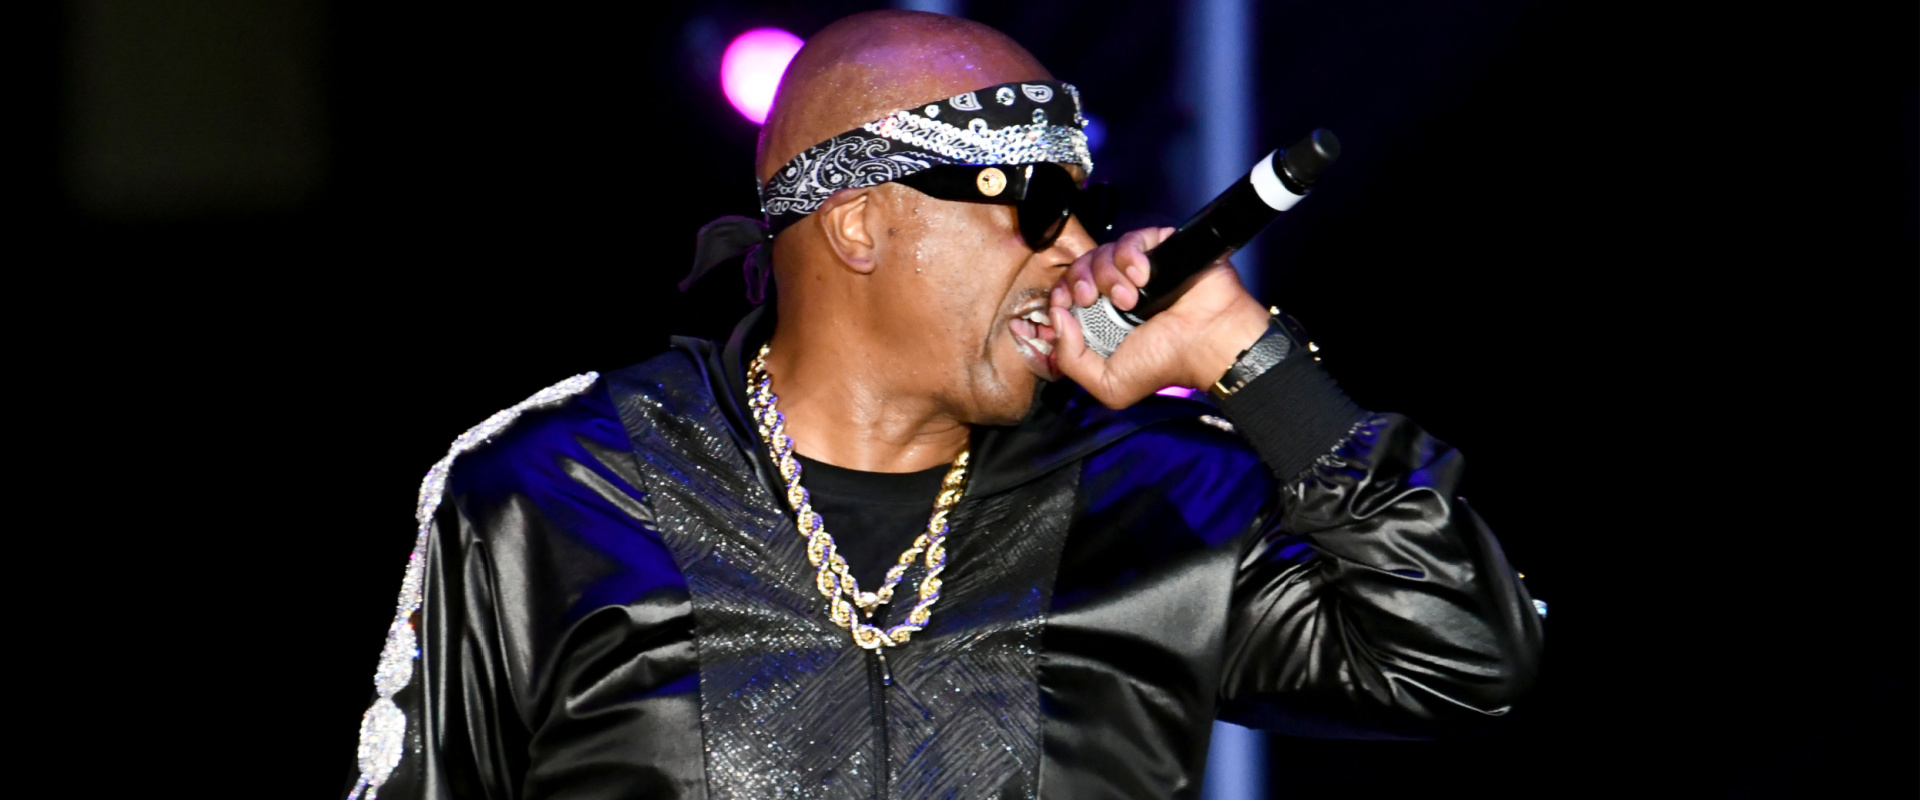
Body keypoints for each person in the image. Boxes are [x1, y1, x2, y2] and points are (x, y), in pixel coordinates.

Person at [343, 11, 1543, 800]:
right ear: (860, 222)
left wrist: (1250, 357)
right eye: (1028, 202)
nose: (1074, 247)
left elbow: (1462, 658)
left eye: (1086, 203)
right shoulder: (557, 487)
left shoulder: (1158, 490)